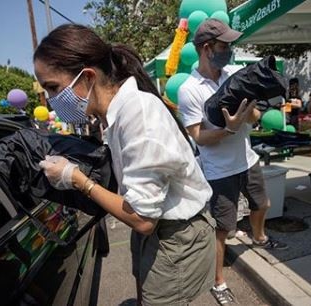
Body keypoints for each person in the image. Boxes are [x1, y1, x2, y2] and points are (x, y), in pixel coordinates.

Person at [34, 24, 216, 305]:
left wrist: (77, 178)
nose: (51, 100)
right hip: (160, 230)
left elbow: (142, 219)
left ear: (88, 77)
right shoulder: (116, 116)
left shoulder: (138, 114)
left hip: (175, 235)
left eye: (53, 88)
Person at [178, 19, 288, 305]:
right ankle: (218, 281)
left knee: (262, 204)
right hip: (220, 170)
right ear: (206, 48)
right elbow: (199, 137)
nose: (229, 49)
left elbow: (254, 118)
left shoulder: (236, 74)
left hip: (247, 159)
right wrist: (228, 129)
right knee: (223, 228)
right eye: (224, 45)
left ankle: (260, 238)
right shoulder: (190, 89)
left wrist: (250, 113)